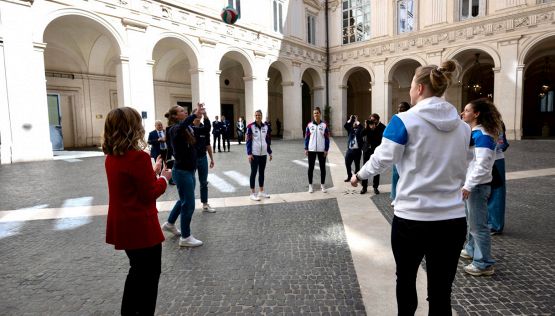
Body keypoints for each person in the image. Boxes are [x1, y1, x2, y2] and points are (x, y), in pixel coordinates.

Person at [351, 60, 470, 315]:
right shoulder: (464, 127)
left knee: (405, 282)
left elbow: (383, 158)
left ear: (419, 89)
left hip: (413, 219)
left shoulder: (404, 120)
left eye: (411, 86)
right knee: (441, 292)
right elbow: (463, 165)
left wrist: (359, 175)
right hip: (452, 219)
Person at [103, 107, 172, 316]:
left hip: (123, 224)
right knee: (149, 278)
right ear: (133, 128)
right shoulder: (139, 157)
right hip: (141, 227)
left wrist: (152, 171)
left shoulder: (112, 157)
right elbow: (148, 194)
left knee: (136, 273)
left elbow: (131, 186)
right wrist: (164, 178)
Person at [460, 98, 502, 277]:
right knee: (473, 222)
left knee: (479, 226)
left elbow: (483, 165)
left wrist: (468, 185)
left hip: (477, 187)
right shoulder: (478, 133)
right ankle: (471, 249)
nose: (463, 113)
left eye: (467, 110)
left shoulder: (483, 135)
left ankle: (484, 263)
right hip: (474, 186)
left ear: (476, 114)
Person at [161, 103, 205, 247]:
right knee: (189, 204)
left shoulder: (186, 128)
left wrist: (199, 118)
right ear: (174, 116)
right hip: (182, 171)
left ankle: (169, 223)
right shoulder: (174, 129)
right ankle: (185, 237)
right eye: (181, 111)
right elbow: (182, 127)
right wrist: (194, 115)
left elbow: (196, 139)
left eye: (185, 111)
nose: (185, 112)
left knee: (183, 200)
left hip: (188, 170)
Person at [192, 110, 216, 213]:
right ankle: (189, 204)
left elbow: (208, 144)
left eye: (200, 115)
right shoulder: (188, 128)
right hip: (191, 160)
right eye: (197, 114)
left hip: (202, 158)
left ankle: (205, 204)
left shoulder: (204, 128)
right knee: (190, 183)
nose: (199, 116)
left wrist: (211, 159)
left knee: (203, 182)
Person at [246, 109, 273, 201]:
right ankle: (252, 193)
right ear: (255, 116)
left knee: (261, 172)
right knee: (253, 173)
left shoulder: (266, 127)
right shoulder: (250, 127)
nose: (258, 116)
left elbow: (267, 140)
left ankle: (261, 191)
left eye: (259, 115)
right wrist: (249, 154)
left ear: (261, 116)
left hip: (263, 153)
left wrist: (269, 152)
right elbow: (248, 141)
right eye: (256, 115)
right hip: (254, 153)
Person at [488, 122, 509, 235]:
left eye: (467, 110)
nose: (463, 113)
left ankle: (495, 225)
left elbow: (501, 145)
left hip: (496, 160)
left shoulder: (495, 123)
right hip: (488, 160)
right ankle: (489, 222)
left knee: (497, 192)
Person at [304, 106, 330, 193]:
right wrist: (306, 148)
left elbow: (327, 138)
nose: (316, 115)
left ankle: (322, 185)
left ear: (320, 114)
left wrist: (326, 149)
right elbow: (307, 137)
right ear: (313, 114)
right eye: (314, 113)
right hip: (311, 150)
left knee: (323, 168)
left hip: (321, 150)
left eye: (317, 113)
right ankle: (310, 186)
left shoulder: (324, 125)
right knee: (310, 168)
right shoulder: (309, 125)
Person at [390, 102, 411, 199]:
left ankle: (404, 195)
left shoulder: (410, 119)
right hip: (397, 151)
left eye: (402, 108)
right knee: (395, 175)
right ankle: (394, 196)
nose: (400, 109)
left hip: (408, 152)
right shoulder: (396, 120)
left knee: (406, 175)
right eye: (399, 107)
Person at [344, 115, 363, 184]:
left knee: (357, 165)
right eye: (353, 122)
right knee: (347, 163)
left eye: (355, 122)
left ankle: (356, 177)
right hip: (350, 150)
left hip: (357, 151)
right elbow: (346, 126)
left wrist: (357, 121)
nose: (354, 123)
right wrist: (349, 119)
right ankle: (349, 176)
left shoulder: (360, 130)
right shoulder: (350, 130)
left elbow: (362, 127)